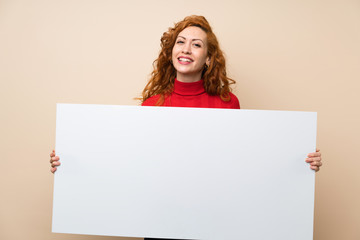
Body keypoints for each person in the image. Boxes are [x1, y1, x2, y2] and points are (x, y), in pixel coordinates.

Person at [50, 15, 322, 240]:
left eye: (196, 45)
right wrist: (72, 163)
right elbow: (128, 163)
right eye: (180, 43)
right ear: (171, 53)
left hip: (215, 222)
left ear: (208, 58)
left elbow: (245, 162)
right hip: (160, 222)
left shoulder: (228, 103)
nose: (186, 49)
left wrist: (299, 162)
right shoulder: (153, 105)